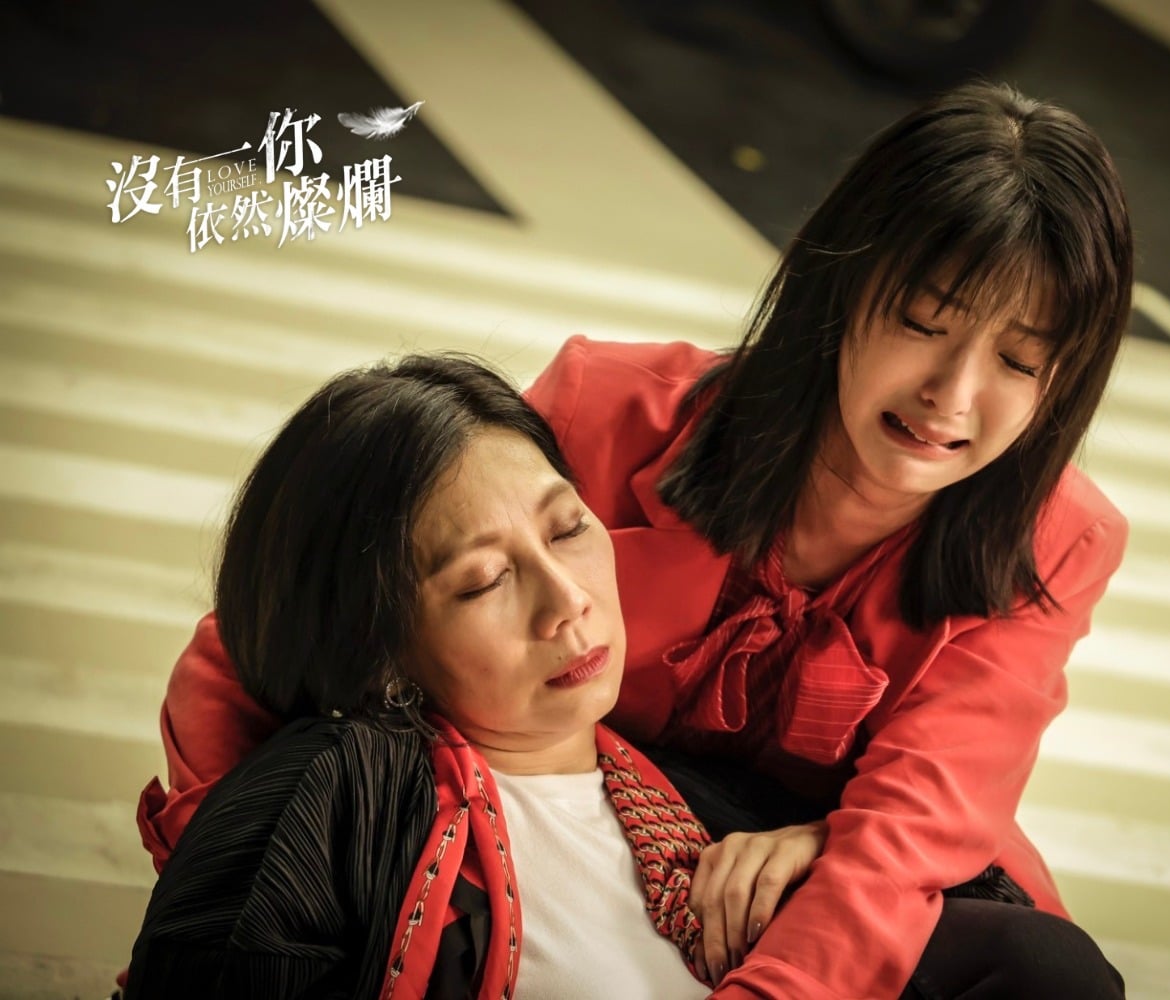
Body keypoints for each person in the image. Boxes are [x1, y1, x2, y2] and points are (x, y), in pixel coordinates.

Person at [142, 81, 1134, 997]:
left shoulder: (1059, 540)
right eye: (923, 322)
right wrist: (259, 876)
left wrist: (824, 843)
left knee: (1051, 978)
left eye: (1020, 361)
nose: (953, 396)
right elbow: (275, 625)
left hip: (823, 888)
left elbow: (912, 830)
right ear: (840, 286)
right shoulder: (610, 410)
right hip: (547, 828)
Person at [128, 355, 826, 998]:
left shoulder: (734, 811)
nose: (566, 601)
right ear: (381, 651)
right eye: (484, 580)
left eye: (568, 530)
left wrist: (827, 853)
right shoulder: (328, 799)